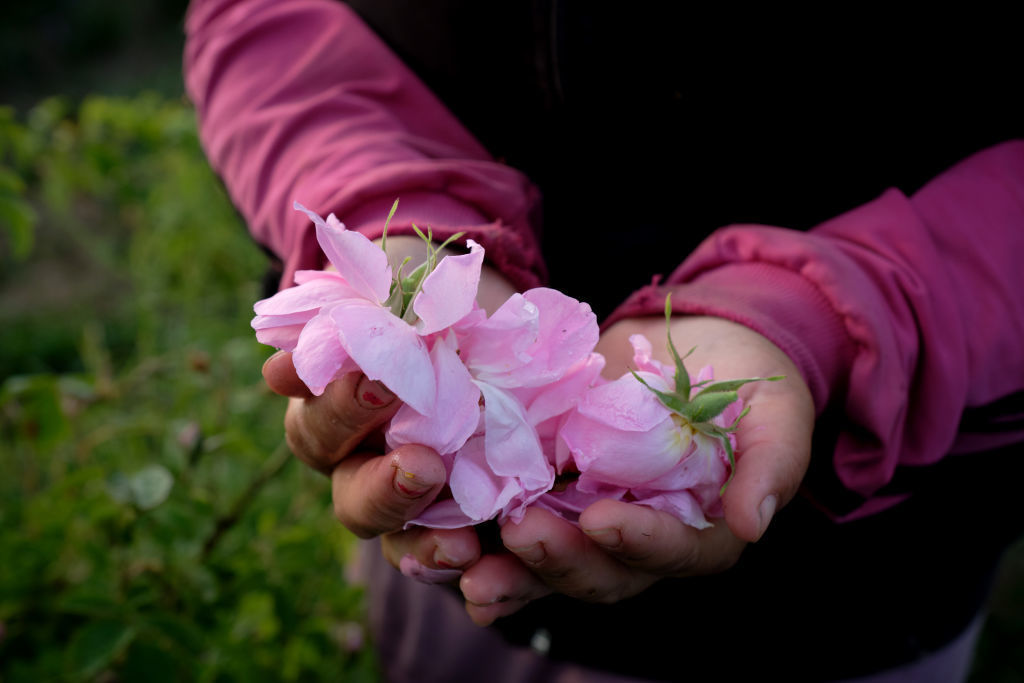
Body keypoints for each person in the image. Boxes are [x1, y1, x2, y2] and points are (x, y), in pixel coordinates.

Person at [184, 0, 1024, 680]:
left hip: (854, 603)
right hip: (450, 572)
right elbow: (263, 18)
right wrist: (390, 219)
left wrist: (838, 315)